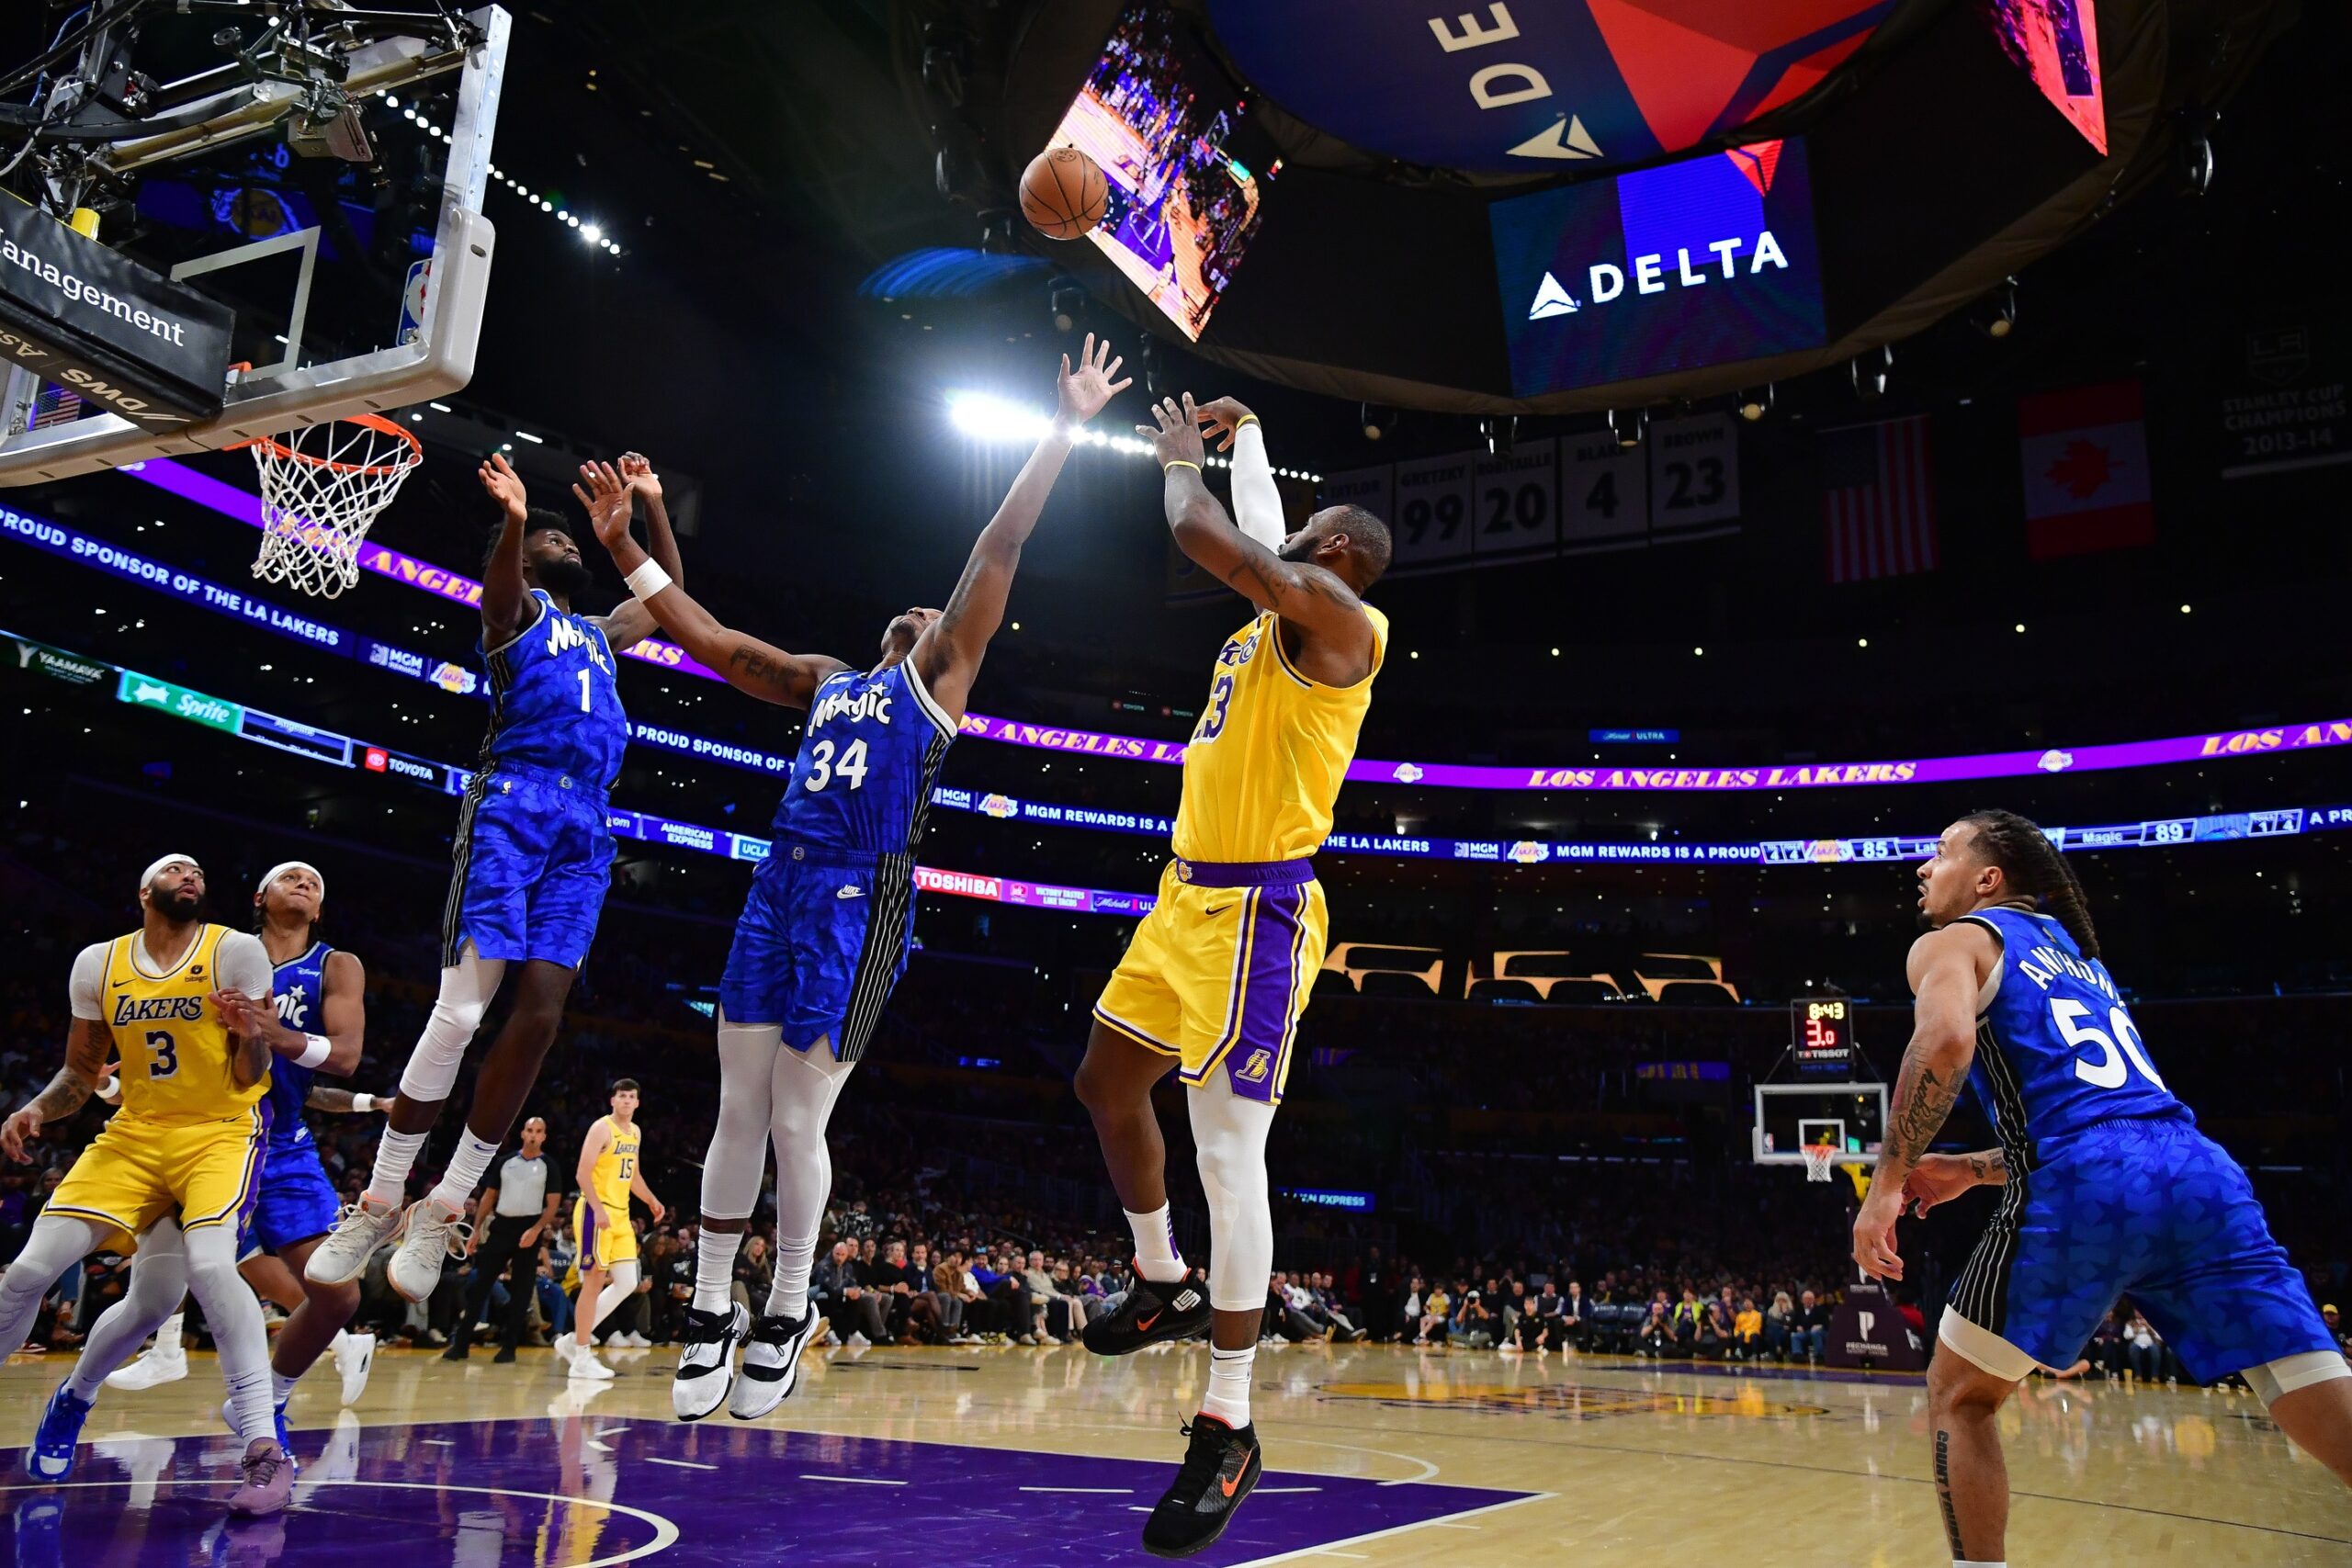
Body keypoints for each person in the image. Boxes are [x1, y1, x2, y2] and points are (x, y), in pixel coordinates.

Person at [588, 340, 1130, 1422]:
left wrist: (1064, 425)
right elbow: (714, 643)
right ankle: (708, 1311)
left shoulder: (938, 680)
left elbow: (998, 543)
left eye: (938, 613)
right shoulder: (829, 682)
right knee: (737, 1107)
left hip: (860, 889)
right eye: (917, 611)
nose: (924, 612)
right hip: (777, 881)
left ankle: (786, 1308)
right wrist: (629, 555)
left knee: (798, 1118)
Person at [1856, 811, 2352, 1567]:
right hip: (2198, 1171)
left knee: (1961, 1393)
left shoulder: (1953, 940)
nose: (1924, 867)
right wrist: (1971, 1167)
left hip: (2092, 1183)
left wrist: (1887, 1180)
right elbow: (2110, 1116)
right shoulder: (2081, 962)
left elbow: (1947, 1040)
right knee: (2302, 1373)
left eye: (1942, 850)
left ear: (1989, 878)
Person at [1074, 389, 1392, 1559]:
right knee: (1106, 1085)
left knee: (1225, 1149)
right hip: (1182, 896)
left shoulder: (1342, 622)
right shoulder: (1282, 608)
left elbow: (1210, 536)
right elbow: (1256, 524)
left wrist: (1174, 464)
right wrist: (1249, 431)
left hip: (1259, 910)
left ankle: (1230, 1416)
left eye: (1307, 536)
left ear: (1339, 558)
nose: (1289, 537)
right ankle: (1160, 1279)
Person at [304, 451, 684, 1301]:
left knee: (541, 1016)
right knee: (464, 1007)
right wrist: (514, 522)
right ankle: (379, 1195)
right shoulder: (514, 618)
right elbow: (499, 592)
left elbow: (667, 603)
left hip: (587, 827)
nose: (562, 540)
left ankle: (443, 1204)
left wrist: (652, 513)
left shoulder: (603, 634)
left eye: (556, 530)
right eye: (547, 535)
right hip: (513, 805)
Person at [1, 855, 295, 1514]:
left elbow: (252, 1075)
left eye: (198, 870)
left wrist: (251, 1033)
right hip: (134, 1136)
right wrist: (36, 1109)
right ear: (145, 891)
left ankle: (264, 1449)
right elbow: (80, 1074)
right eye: (176, 869)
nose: (191, 874)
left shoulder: (237, 950)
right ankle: (72, 1399)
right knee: (30, 1271)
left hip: (219, 1132)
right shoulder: (98, 963)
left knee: (207, 1273)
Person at [93, 863, 381, 1422]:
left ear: (319, 911)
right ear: (259, 896)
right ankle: (166, 1352)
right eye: (289, 877)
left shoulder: (335, 965)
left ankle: (271, 1388)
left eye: (315, 883)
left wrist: (272, 1033)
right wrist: (114, 1080)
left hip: (283, 1142)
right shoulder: (214, 952)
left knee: (338, 1295)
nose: (304, 883)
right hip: (207, 1131)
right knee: (185, 1260)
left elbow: (345, 1059)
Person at [562, 1079, 663, 1379]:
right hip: (596, 1212)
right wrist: (597, 1208)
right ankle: (581, 1356)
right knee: (593, 1283)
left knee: (627, 1282)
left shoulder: (635, 1132)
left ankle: (573, 1339)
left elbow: (633, 1175)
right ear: (612, 1101)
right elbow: (582, 1173)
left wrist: (651, 1200)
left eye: (632, 1097)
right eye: (622, 1097)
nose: (627, 1101)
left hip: (621, 1215)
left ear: (637, 1103)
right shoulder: (601, 1128)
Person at [445, 1115, 560, 1362]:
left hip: (529, 1229)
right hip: (501, 1227)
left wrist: (537, 1229)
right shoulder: (505, 1162)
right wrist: (476, 1229)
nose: (533, 1135)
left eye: (538, 1131)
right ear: (522, 1133)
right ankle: (461, 1344)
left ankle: (509, 1348)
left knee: (522, 1291)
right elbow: (488, 1197)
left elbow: (553, 1205)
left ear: (544, 1136)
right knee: (479, 1285)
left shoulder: (549, 1165)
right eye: (529, 1130)